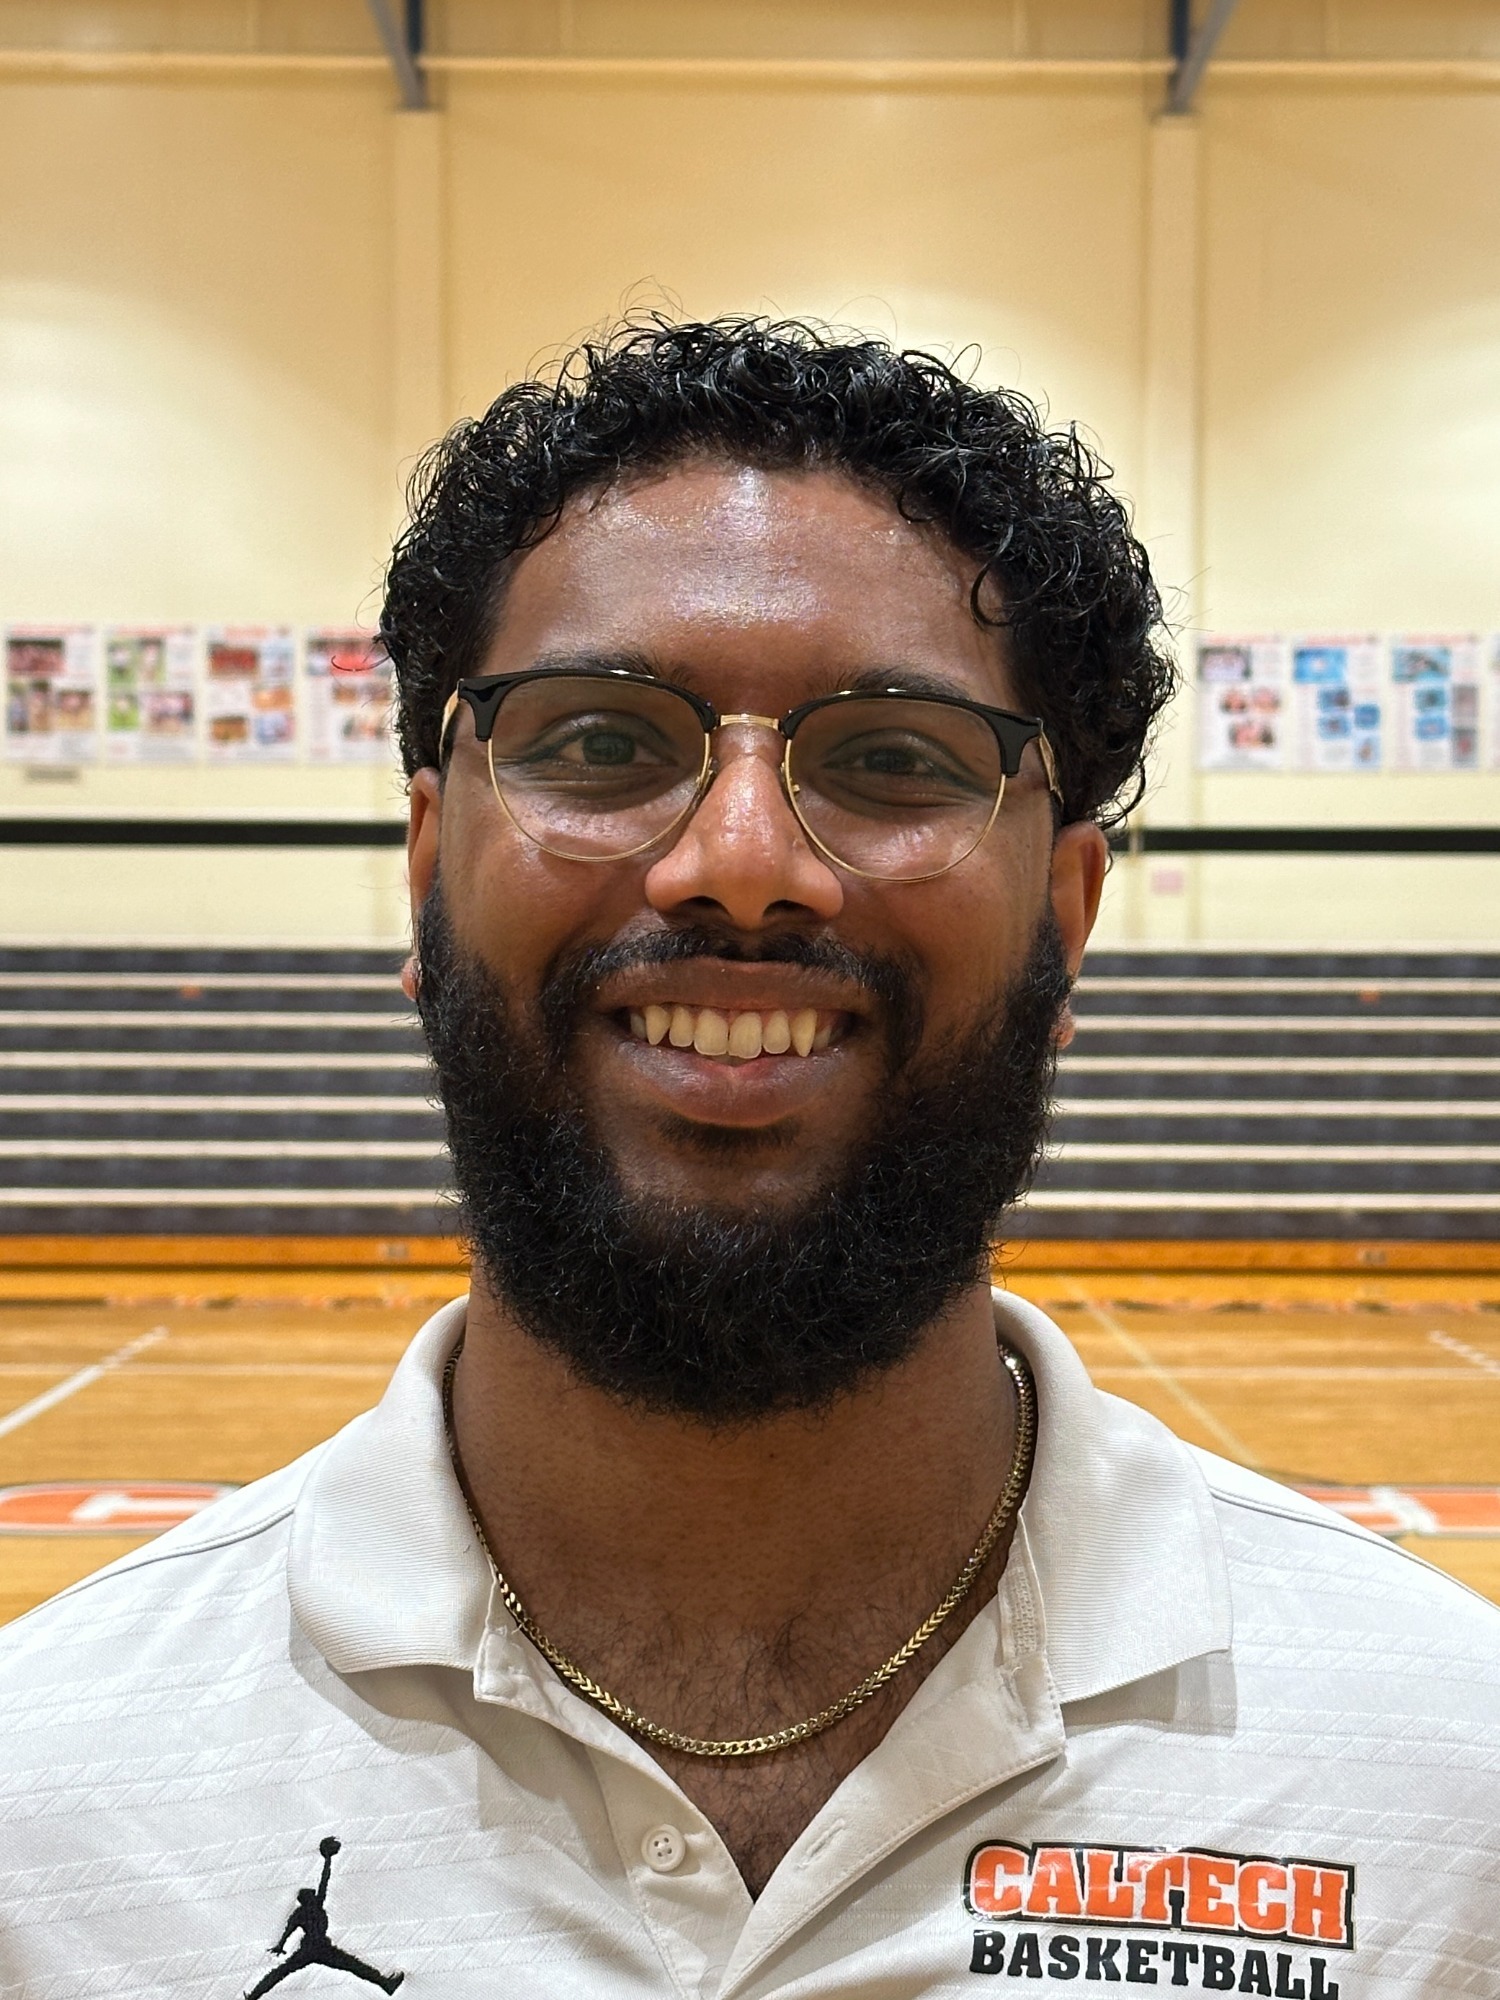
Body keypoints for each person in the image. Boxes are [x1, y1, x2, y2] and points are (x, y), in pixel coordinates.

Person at [0, 319, 1494, 1996]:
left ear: (1066, 922)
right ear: (424, 868)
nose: (740, 863)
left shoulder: (1459, 1796)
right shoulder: (41, 1812)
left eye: (896, 761)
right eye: (597, 741)